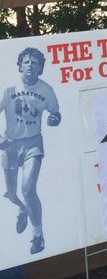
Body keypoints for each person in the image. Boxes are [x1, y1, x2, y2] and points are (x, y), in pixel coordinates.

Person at [1, 47, 61, 255]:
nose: (30, 65)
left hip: (33, 144)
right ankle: (22, 209)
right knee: (11, 192)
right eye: (26, 62)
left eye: (35, 63)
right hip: (10, 145)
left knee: (28, 189)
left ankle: (38, 235)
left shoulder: (47, 90)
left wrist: (55, 119)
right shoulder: (9, 89)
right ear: (20, 66)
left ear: (40, 68)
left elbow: (55, 113)